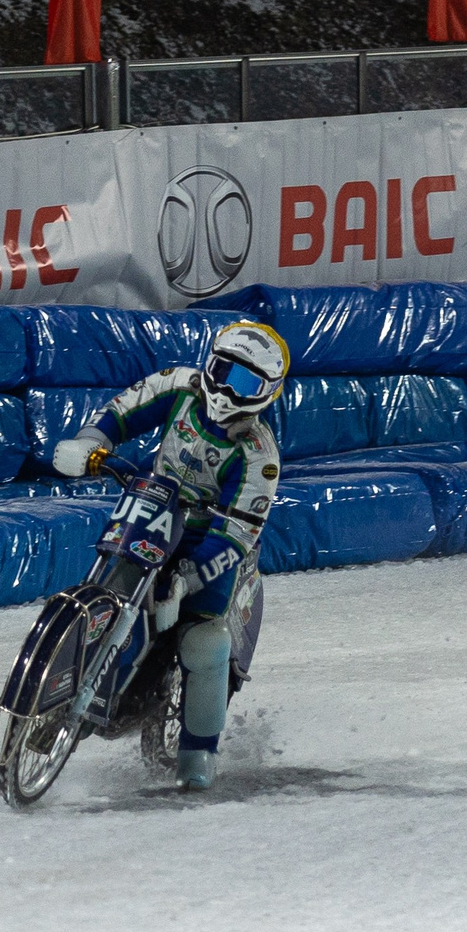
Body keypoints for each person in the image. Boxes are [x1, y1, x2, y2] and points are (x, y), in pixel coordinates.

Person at [49, 319, 289, 790]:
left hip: (210, 543)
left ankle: (198, 759)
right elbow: (123, 412)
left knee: (205, 642)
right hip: (151, 509)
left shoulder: (259, 456)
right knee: (105, 583)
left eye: (244, 382)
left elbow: (239, 532)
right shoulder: (178, 385)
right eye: (222, 370)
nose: (225, 389)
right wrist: (91, 443)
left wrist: (191, 577)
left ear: (266, 393)